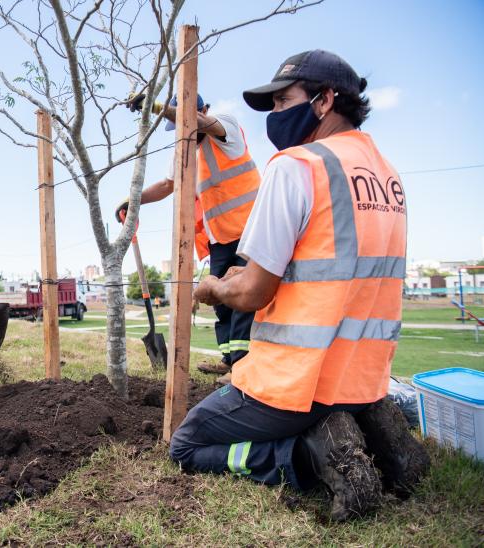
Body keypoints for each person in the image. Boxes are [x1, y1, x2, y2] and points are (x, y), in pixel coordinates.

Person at [169, 50, 429, 521]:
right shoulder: (387, 176)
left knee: (186, 445)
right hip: (363, 376)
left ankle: (308, 457)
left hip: (300, 381)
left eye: (283, 100)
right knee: (330, 404)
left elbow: (253, 293)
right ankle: (374, 432)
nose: (274, 114)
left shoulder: (298, 165)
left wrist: (213, 289)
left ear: (325, 100)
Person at [117, 94, 260, 379]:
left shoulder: (226, 130)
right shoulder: (184, 153)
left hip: (251, 230)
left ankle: (243, 366)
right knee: (219, 300)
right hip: (219, 237)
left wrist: (156, 107)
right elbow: (168, 185)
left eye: (185, 122)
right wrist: (133, 200)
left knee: (242, 297)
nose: (184, 132)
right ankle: (229, 358)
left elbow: (198, 122)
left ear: (204, 110)